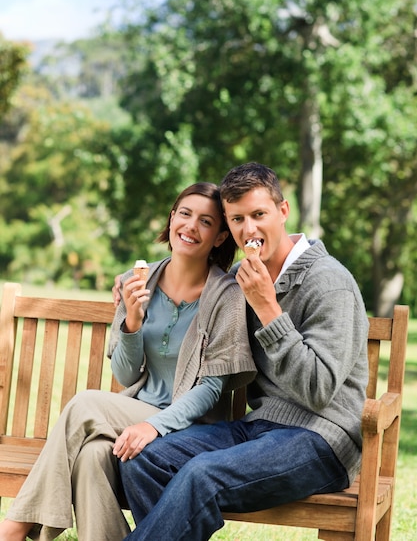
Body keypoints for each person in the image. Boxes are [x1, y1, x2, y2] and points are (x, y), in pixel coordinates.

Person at [118, 162, 370, 541]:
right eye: (236, 219)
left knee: (203, 475)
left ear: (282, 212)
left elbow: (319, 392)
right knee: (145, 459)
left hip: (322, 438)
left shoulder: (329, 282)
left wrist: (269, 310)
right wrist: (134, 317)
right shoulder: (244, 279)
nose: (248, 230)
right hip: (259, 428)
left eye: (258, 215)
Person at [0, 182, 256, 541]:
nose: (191, 226)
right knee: (91, 455)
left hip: (191, 427)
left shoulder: (226, 297)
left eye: (206, 221)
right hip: (135, 413)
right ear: (170, 220)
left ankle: (14, 528)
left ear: (218, 237)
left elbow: (212, 390)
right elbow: (124, 373)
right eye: (184, 214)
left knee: (86, 402)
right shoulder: (138, 280)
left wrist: (155, 426)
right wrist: (132, 323)